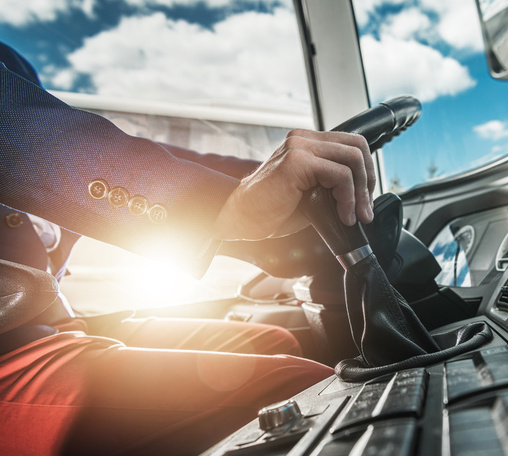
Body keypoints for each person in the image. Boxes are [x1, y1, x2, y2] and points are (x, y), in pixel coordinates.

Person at [0, 42, 375, 455]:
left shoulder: (12, 60)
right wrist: (220, 207)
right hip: (10, 349)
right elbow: (24, 136)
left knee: (271, 343)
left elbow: (62, 139)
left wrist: (261, 184)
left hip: (58, 321)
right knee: (303, 392)